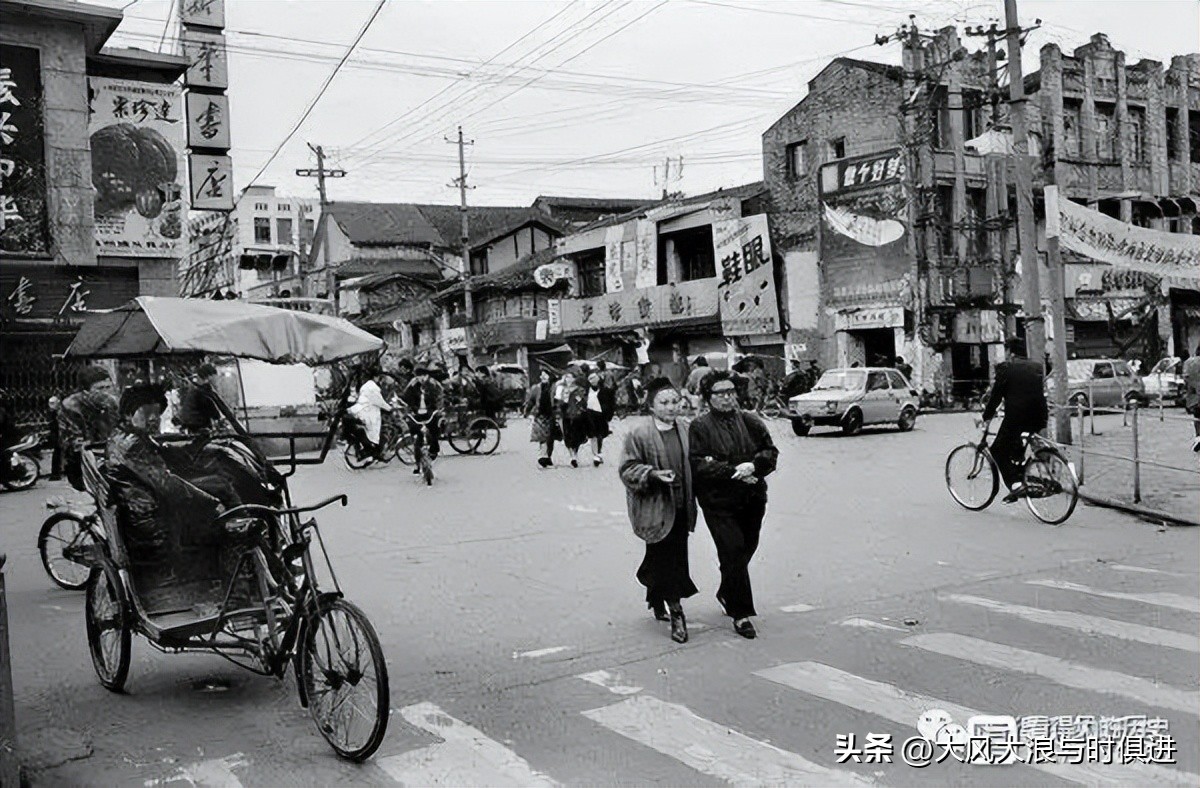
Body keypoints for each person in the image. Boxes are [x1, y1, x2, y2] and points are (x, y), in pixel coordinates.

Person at [688, 371, 779, 639]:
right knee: (733, 550)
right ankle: (741, 614)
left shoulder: (751, 421)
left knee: (746, 548)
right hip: (719, 502)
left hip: (752, 497)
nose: (727, 398)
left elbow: (769, 451)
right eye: (720, 393)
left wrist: (755, 465)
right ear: (709, 398)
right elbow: (698, 463)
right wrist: (732, 471)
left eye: (731, 392)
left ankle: (727, 589)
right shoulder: (700, 426)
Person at [619, 378, 698, 644]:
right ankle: (676, 611)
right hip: (655, 506)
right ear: (651, 406)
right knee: (666, 555)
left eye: (675, 401)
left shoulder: (687, 429)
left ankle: (655, 595)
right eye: (663, 402)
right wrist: (651, 474)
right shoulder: (639, 434)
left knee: (671, 554)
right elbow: (627, 469)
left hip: (682, 504)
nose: (671, 407)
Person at [982, 337, 1049, 501]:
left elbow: (995, 397)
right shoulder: (1037, 367)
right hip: (1040, 416)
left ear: (1009, 352)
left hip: (1017, 417)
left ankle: (1015, 485)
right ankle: (1023, 472)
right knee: (1015, 445)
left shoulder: (1006, 369)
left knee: (997, 450)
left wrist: (986, 416)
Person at [58, 367, 119, 491]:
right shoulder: (71, 406)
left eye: (108, 387)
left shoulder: (112, 402)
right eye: (100, 388)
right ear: (86, 391)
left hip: (113, 457)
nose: (106, 392)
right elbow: (71, 439)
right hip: (83, 461)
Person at [402, 366, 444, 471]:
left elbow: (440, 398)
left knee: (434, 432)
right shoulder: (411, 386)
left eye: (423, 376)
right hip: (416, 415)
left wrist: (438, 409)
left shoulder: (434, 385)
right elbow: (406, 399)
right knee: (417, 437)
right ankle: (418, 464)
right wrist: (409, 410)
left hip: (430, 413)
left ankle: (433, 453)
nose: (421, 378)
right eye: (419, 376)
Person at [347, 370, 394, 460]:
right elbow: (379, 402)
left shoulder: (365, 386)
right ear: (376, 377)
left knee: (370, 433)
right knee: (374, 433)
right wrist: (389, 408)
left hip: (362, 410)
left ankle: (372, 452)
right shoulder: (373, 388)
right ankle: (372, 452)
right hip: (369, 413)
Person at [523, 369, 560, 468]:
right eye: (541, 375)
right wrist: (526, 411)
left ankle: (548, 457)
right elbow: (531, 401)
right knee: (542, 436)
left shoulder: (555, 387)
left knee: (550, 437)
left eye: (544, 375)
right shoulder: (536, 388)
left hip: (552, 415)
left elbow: (559, 401)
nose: (542, 377)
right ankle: (543, 456)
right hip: (540, 414)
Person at [176, 363, 224, 434]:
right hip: (201, 431)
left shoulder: (194, 390)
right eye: (215, 377)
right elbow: (214, 413)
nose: (217, 381)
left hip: (194, 429)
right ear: (209, 377)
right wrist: (220, 419)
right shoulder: (202, 392)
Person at [556, 370, 589, 468]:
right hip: (565, 415)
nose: (568, 379)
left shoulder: (579, 389)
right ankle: (572, 457)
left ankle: (575, 454)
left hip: (578, 416)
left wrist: (579, 400)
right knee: (567, 436)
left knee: (577, 437)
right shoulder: (561, 389)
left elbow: (583, 402)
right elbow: (558, 403)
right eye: (566, 377)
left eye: (570, 377)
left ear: (574, 379)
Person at [585, 369, 613, 466]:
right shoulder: (585, 390)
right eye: (590, 378)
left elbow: (611, 403)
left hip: (601, 414)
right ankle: (596, 454)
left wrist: (609, 415)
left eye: (594, 377)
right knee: (592, 435)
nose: (592, 380)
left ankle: (599, 452)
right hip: (589, 413)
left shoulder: (605, 390)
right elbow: (580, 399)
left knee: (600, 435)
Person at [1182, 344, 1200, 452]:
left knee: (1197, 418)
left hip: (1194, 398)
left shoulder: (1188, 363)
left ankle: (1198, 437)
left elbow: (1185, 380)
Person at [44, 394, 63, 480]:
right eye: (50, 403)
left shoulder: (60, 412)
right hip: (56, 434)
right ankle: (55, 473)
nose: (51, 405)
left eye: (53, 403)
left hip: (61, 434)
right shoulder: (52, 413)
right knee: (57, 453)